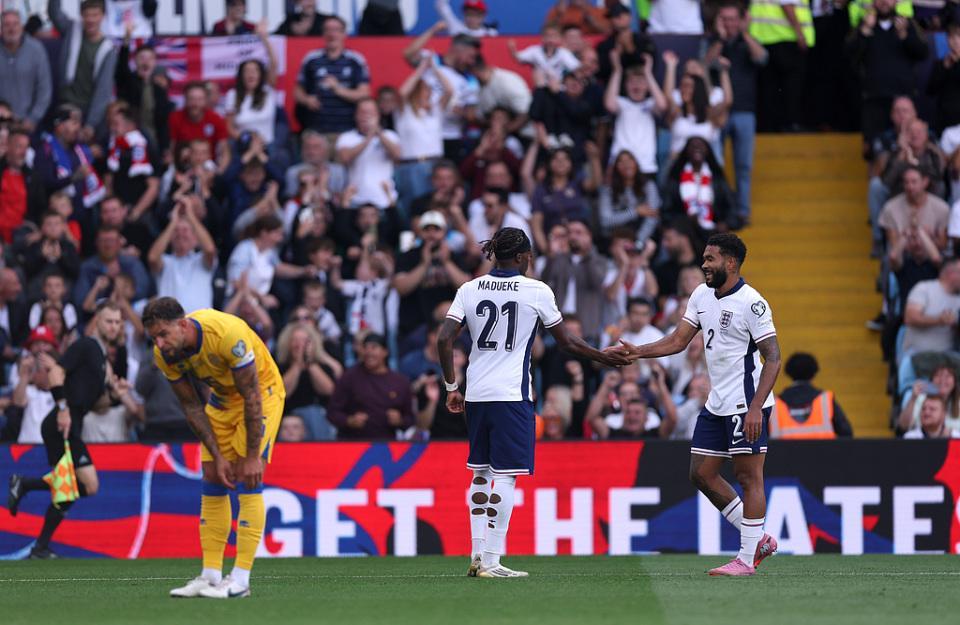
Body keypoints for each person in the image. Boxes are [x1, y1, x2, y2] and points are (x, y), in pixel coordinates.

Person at [437, 227, 630, 578]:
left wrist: (452, 387)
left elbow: (444, 338)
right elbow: (566, 342)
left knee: (480, 472)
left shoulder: (469, 288)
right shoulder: (536, 290)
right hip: (512, 393)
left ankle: (476, 553)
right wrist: (602, 357)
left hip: (476, 393)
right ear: (522, 256)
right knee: (506, 477)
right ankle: (491, 560)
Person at [611, 232, 782, 576]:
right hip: (717, 401)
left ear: (730, 263)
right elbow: (678, 340)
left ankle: (746, 559)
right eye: (704, 258)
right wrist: (638, 352)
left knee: (749, 477)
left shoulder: (752, 303)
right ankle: (758, 539)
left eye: (710, 259)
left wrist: (755, 408)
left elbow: (774, 358)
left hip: (746, 401)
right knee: (701, 473)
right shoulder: (702, 295)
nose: (704, 265)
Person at [142, 297, 285, 599]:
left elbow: (252, 396)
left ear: (183, 325)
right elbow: (192, 406)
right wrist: (218, 455)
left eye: (164, 334)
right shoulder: (164, 354)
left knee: (248, 477)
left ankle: (241, 580)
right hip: (221, 401)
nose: (160, 343)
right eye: (154, 337)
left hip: (262, 395)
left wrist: (251, 456)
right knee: (212, 477)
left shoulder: (226, 333)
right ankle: (210, 576)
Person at [6, 301, 122, 558]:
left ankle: (26, 489)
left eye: (117, 322)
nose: (113, 326)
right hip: (60, 424)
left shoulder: (102, 360)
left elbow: (97, 405)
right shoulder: (85, 345)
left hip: (72, 424)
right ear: (97, 322)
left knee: (78, 486)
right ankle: (39, 543)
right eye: (108, 321)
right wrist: (62, 409)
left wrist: (115, 396)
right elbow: (56, 372)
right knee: (78, 485)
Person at [48, 0, 118, 142]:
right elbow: (54, 13)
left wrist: (91, 124)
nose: (90, 20)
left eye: (95, 15)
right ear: (81, 16)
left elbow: (103, 91)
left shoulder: (108, 49)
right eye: (87, 15)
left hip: (89, 109)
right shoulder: (72, 30)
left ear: (103, 16)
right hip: (65, 104)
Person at [326, 333, 415, 439]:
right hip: (353, 443)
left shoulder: (400, 382)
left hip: (386, 444)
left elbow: (410, 419)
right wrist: (349, 421)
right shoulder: (349, 377)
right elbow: (332, 412)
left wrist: (399, 421)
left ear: (385, 352)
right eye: (365, 348)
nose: (369, 352)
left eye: (374, 347)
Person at [294, 16, 371, 135]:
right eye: (328, 30)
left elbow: (364, 93)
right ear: (323, 34)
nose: (332, 34)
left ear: (344, 34)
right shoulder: (311, 59)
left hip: (348, 131)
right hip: (316, 130)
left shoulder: (355, 60)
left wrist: (338, 89)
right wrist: (306, 100)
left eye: (336, 30)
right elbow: (297, 91)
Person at [771, 352, 853, 438]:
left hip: (784, 447)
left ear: (788, 372)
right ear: (814, 372)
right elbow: (846, 433)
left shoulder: (775, 404)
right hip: (823, 447)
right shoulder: (825, 400)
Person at [0, 9, 51, 131]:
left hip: (28, 123)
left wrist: (33, 118)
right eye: (7, 25)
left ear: (22, 27)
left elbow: (44, 90)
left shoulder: (36, 50)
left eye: (15, 24)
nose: (11, 29)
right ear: (1, 29)